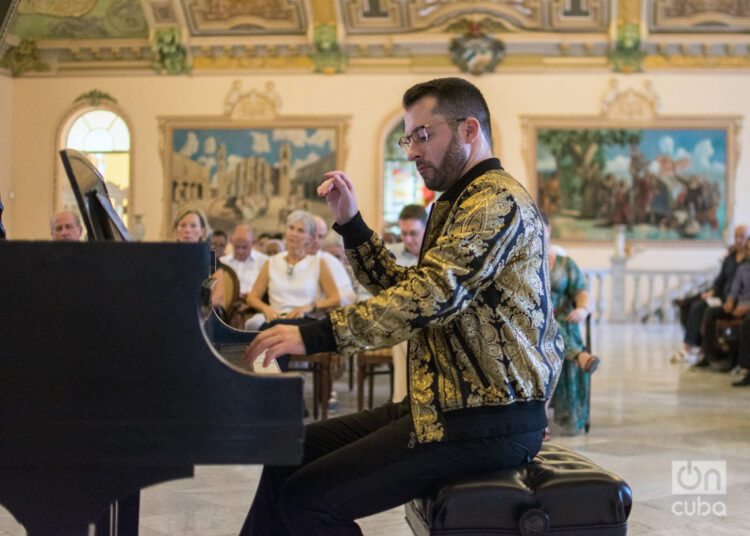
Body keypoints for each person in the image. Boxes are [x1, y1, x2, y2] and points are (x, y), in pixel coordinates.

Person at [239, 77, 562, 536]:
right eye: (407, 137)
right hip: (443, 405)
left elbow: (432, 294)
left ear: (469, 129)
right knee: (287, 451)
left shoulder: (495, 200)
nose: (411, 151)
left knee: (306, 500)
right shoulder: (459, 202)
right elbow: (409, 287)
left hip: (483, 418)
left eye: (423, 135)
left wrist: (316, 334)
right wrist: (351, 226)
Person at [243, 210, 341, 345]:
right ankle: (271, 365)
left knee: (274, 330)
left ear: (310, 238)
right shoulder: (271, 262)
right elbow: (252, 297)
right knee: (270, 327)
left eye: (300, 230)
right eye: (291, 228)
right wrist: (266, 309)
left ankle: (266, 365)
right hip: (276, 317)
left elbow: (335, 299)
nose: (294, 233)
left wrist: (308, 307)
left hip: (306, 319)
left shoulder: (318, 263)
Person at [543, 214, 599, 437]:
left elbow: (582, 291)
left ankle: (541, 421)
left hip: (564, 321)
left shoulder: (565, 264)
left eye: (542, 226)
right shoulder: (521, 260)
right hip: (531, 325)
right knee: (548, 331)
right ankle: (579, 356)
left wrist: (582, 309)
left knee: (556, 331)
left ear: (548, 229)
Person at [670, 224, 749, 365]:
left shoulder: (747, 263)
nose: (738, 240)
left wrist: (735, 302)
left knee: (707, 311)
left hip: (738, 301)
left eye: (741, 237)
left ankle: (707, 353)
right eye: (736, 236)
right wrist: (711, 292)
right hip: (723, 297)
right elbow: (720, 281)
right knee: (692, 306)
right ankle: (692, 347)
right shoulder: (729, 259)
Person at [386, 204, 428, 402]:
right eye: (403, 233)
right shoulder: (390, 256)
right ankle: (405, 401)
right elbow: (366, 291)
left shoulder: (437, 256)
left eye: (413, 233)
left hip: (431, 320)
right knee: (404, 332)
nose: (408, 239)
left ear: (426, 230)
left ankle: (403, 402)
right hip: (395, 319)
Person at [702, 234, 750, 372]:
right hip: (739, 305)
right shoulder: (742, 269)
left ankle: (744, 366)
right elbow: (734, 289)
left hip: (747, 308)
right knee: (710, 312)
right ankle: (712, 355)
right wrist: (729, 301)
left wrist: (746, 308)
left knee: (748, 321)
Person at [309, 214, 357, 306]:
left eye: (320, 237)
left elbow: (348, 297)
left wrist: (325, 303)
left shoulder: (330, 261)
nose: (316, 241)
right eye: (312, 234)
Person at [220, 225, 268, 297]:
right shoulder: (222, 262)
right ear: (231, 242)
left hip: (253, 305)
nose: (240, 251)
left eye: (244, 247)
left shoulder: (265, 262)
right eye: (237, 247)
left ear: (253, 243)